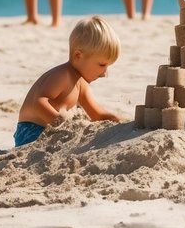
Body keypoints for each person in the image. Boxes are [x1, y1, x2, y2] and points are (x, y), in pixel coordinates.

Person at [14, 16, 121, 147]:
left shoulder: (81, 84)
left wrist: (120, 122)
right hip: (31, 131)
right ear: (78, 56)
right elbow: (38, 102)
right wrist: (61, 124)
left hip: (51, 132)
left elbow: (97, 114)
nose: (105, 74)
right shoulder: (62, 75)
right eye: (102, 65)